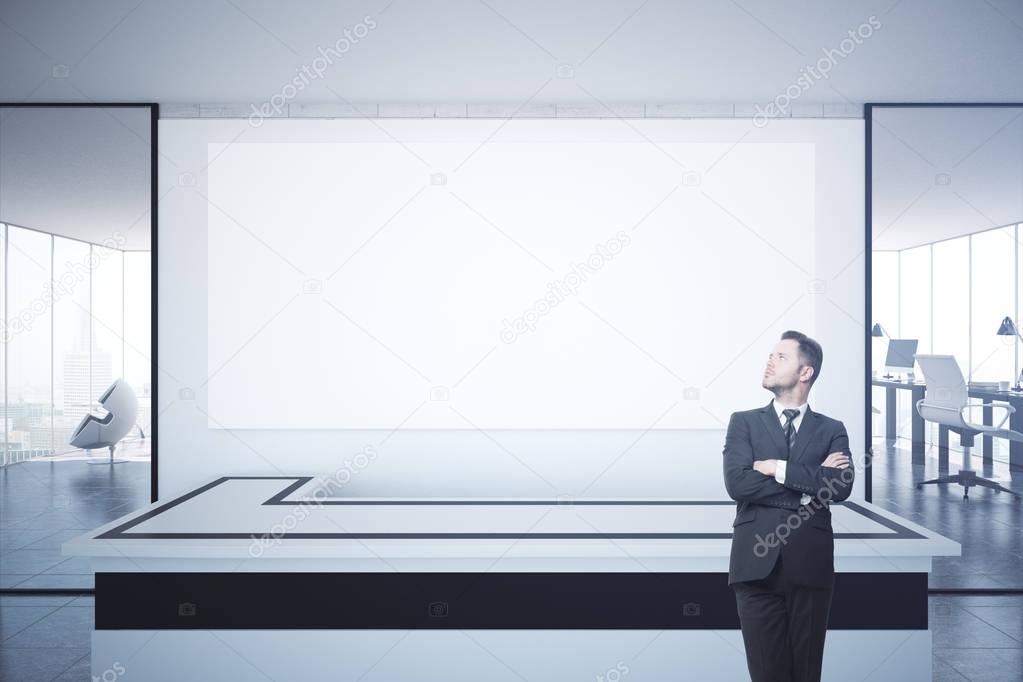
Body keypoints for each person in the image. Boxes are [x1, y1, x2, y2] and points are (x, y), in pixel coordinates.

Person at [722, 330, 855, 682]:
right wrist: (808, 489)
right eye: (770, 355)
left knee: (807, 675)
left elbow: (840, 486)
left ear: (805, 371)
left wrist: (776, 468)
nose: (769, 361)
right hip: (755, 569)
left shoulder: (831, 429)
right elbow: (738, 484)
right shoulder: (744, 422)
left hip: (810, 567)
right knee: (767, 675)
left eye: (780, 356)